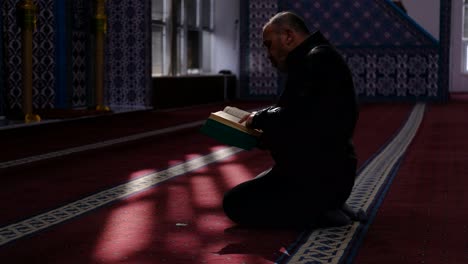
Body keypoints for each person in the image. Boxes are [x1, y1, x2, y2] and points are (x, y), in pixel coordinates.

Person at [222, 11, 365, 228]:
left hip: (313, 178)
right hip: (328, 174)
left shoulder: (316, 59)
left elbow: (293, 116)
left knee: (234, 203)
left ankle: (319, 211)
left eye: (269, 44)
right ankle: (330, 204)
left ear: (288, 36)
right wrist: (262, 135)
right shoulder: (319, 57)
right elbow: (305, 121)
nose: (268, 54)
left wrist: (257, 118)